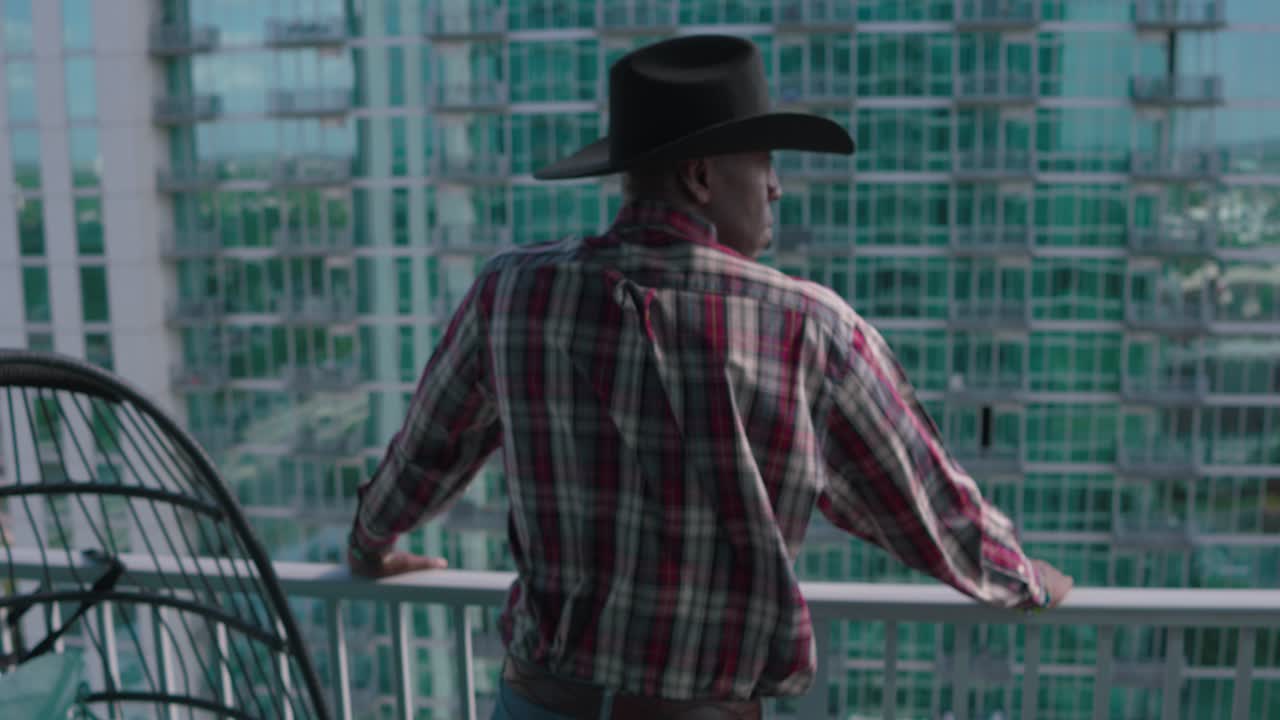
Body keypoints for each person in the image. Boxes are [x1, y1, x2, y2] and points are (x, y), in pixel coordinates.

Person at [347, 34, 1073, 720]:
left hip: (538, 702)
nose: (777, 189)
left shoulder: (510, 292)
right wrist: (1025, 580)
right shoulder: (809, 327)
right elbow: (920, 504)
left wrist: (370, 545)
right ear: (701, 176)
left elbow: (423, 455)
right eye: (763, 164)